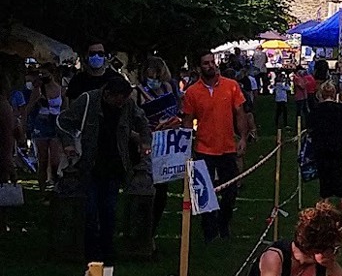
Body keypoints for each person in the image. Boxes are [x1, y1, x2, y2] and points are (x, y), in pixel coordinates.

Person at [57, 77, 150, 263]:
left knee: (109, 211)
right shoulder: (88, 101)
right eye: (119, 99)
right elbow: (63, 121)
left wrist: (145, 142)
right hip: (89, 166)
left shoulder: (128, 104)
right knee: (90, 211)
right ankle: (91, 252)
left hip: (114, 167)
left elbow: (142, 121)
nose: (122, 103)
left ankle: (107, 251)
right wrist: (68, 145)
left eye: (125, 99)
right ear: (107, 95)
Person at [182, 51, 248, 242]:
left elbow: (240, 113)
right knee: (204, 193)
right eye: (206, 63)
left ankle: (224, 224)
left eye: (212, 62)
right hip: (203, 148)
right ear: (198, 68)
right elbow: (187, 120)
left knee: (230, 191)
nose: (210, 66)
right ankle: (209, 232)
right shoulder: (192, 92)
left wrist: (243, 138)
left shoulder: (231, 86)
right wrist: (187, 145)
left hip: (227, 147)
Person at [137, 57, 181, 237]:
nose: (153, 79)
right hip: (147, 146)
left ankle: (151, 230)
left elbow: (176, 111)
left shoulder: (168, 88)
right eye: (150, 76)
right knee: (147, 191)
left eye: (156, 75)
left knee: (162, 193)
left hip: (166, 147)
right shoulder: (137, 93)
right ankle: (142, 230)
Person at [307, 82, 342, 210]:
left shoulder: (316, 110)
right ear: (334, 93)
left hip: (322, 146)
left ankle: (325, 198)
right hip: (340, 145)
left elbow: (310, 128)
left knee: (324, 171)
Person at [27, 62, 65, 191]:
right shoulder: (38, 90)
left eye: (45, 74)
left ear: (52, 74)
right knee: (42, 160)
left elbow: (65, 109)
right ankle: (42, 189)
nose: (42, 76)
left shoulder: (61, 90)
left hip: (55, 125)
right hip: (41, 125)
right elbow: (29, 107)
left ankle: (55, 185)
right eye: (41, 74)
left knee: (55, 160)